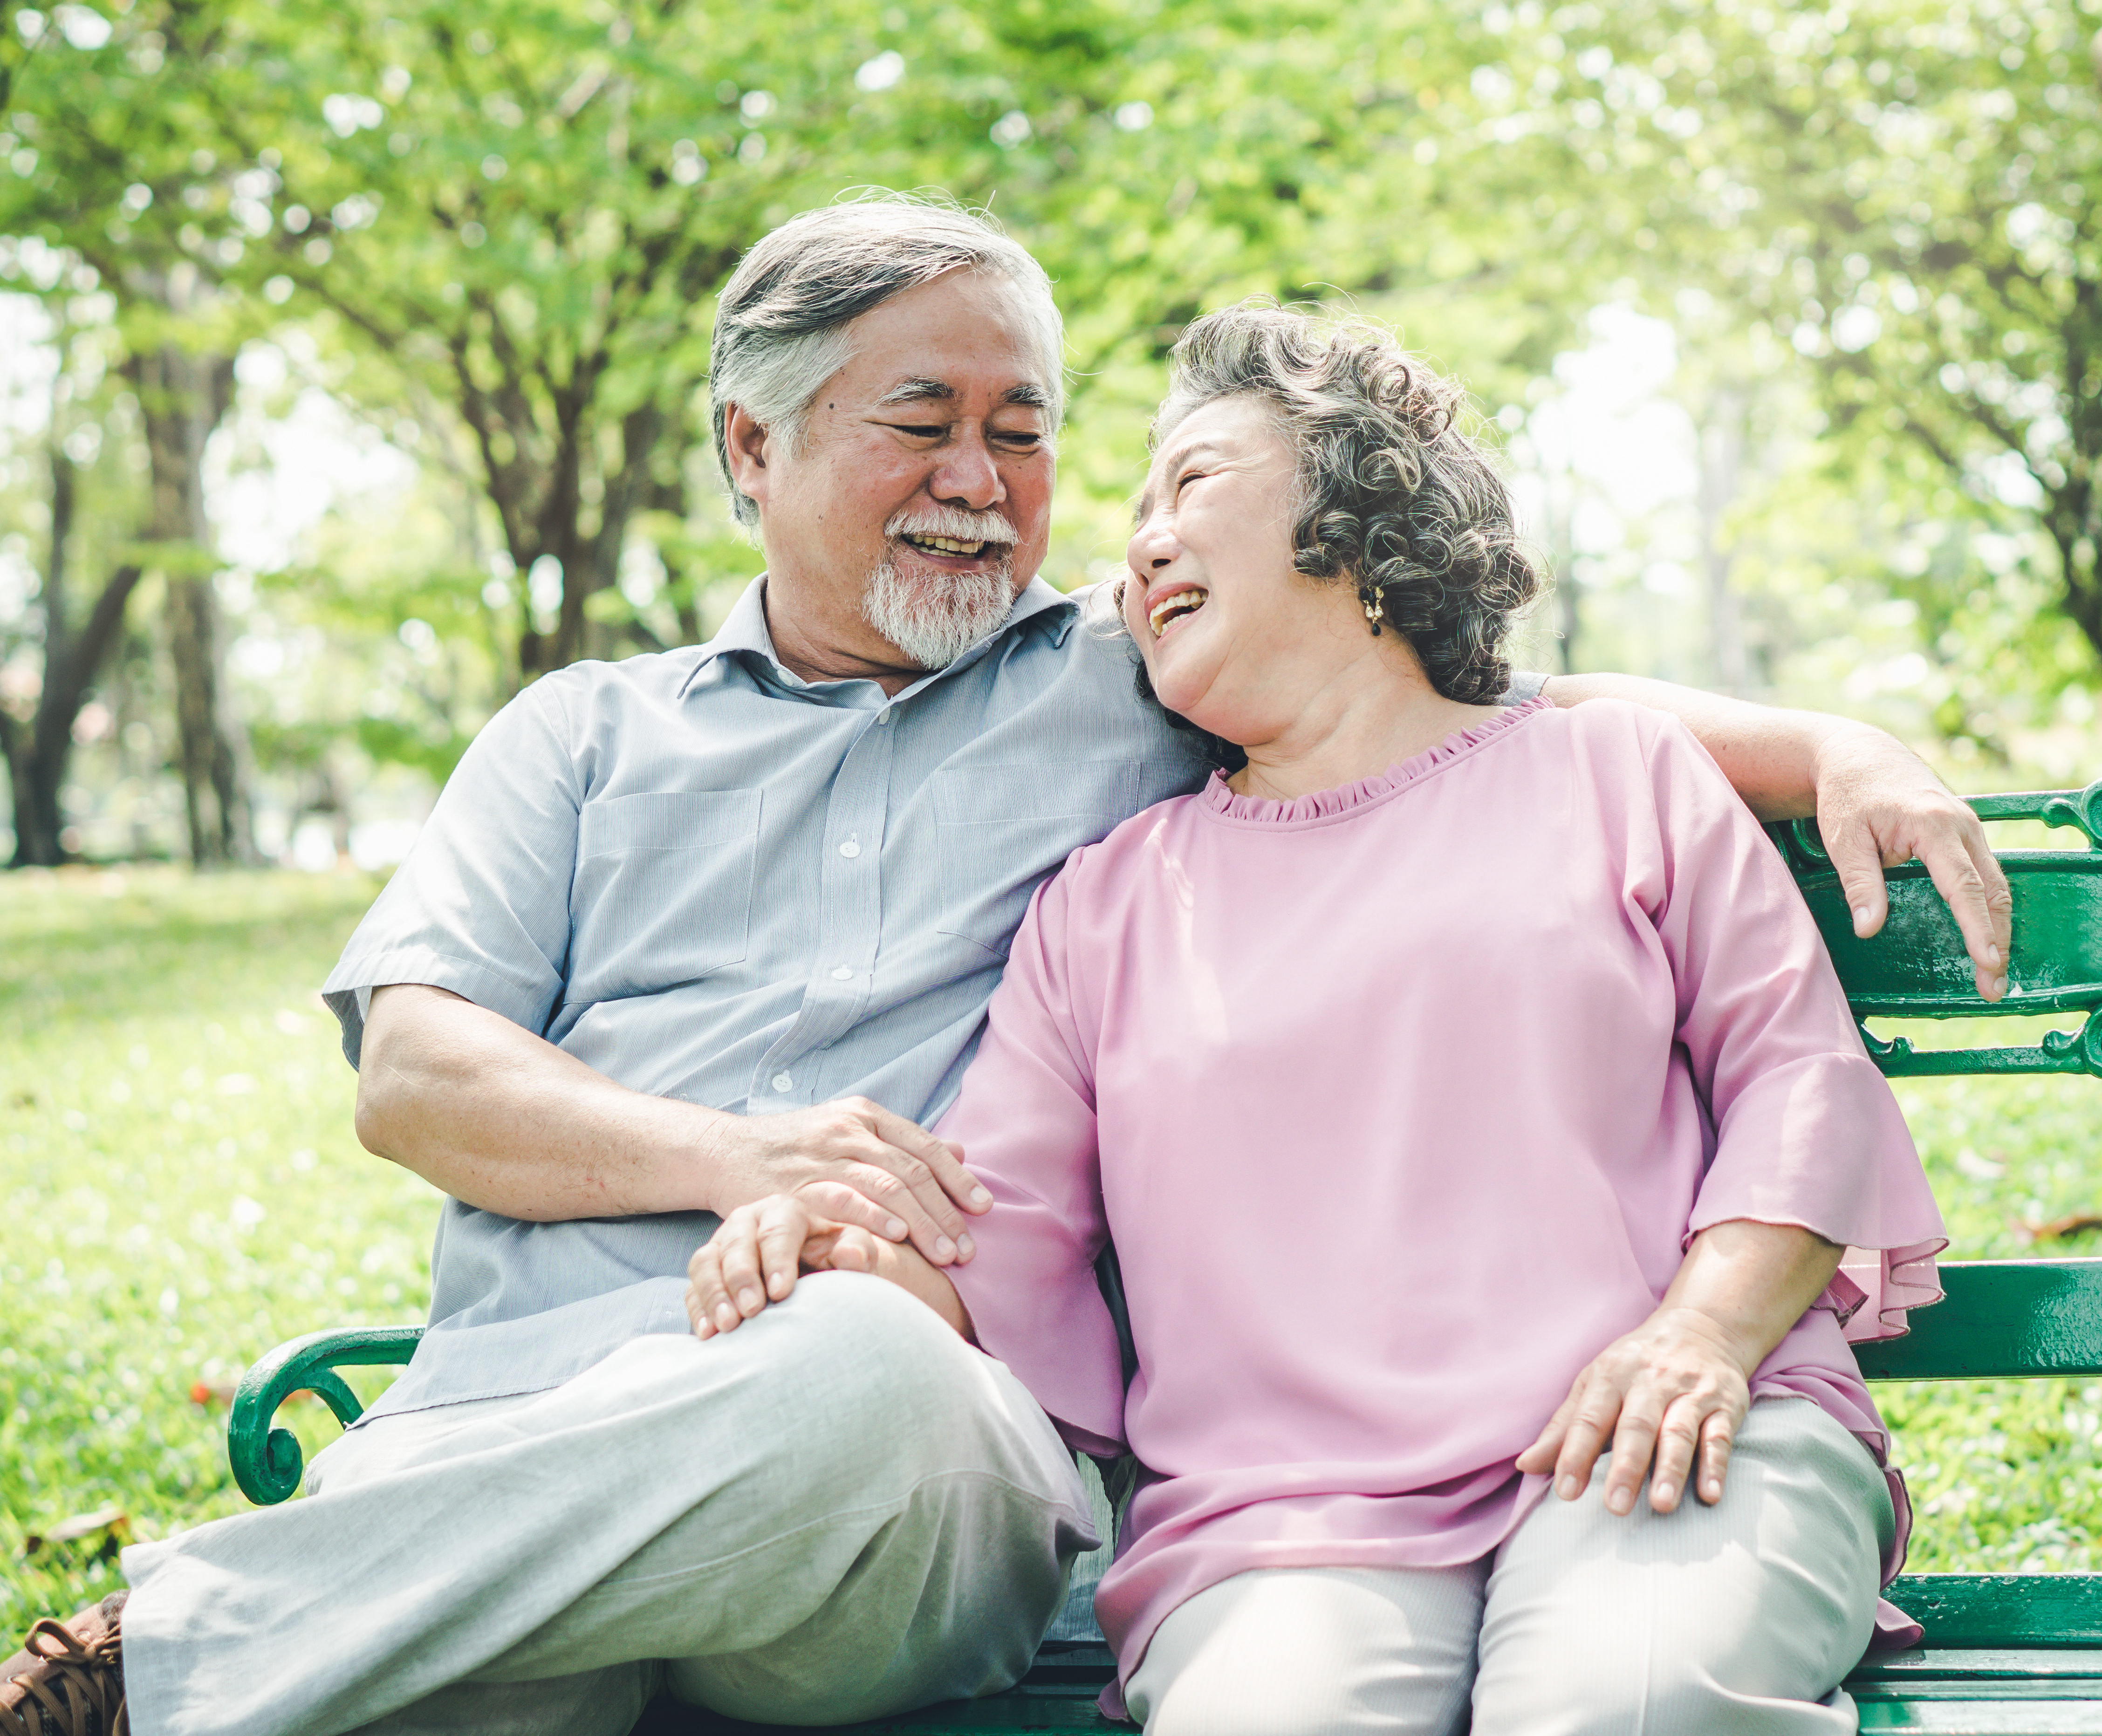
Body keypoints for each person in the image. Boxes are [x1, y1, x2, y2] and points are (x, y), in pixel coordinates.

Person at [2, 196, 2005, 1736]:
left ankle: (166, 1640)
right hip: (510, 1454)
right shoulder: (580, 736)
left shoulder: (1129, 679)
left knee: (865, 1366)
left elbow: (1467, 704)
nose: (992, 479)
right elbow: (416, 1080)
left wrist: (1826, 742)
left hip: (893, 1473)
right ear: (752, 449)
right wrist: (745, 1166)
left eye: (1027, 431)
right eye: (923, 422)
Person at [684, 306, 1950, 1734]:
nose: (1141, 543)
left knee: (1626, 1705)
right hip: (1288, 1520)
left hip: (1666, 1423)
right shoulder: (1104, 906)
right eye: (1136, 514)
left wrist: (1702, 1339)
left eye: (1195, 485)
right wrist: (835, 1244)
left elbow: (1797, 1078)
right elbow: (1003, 1228)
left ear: (1356, 526)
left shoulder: (1616, 773)